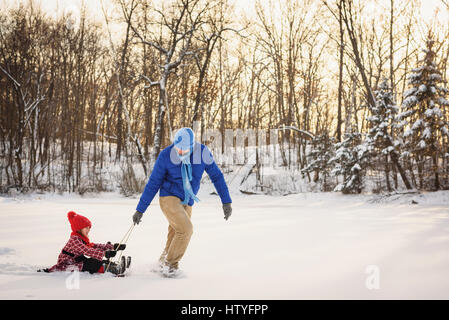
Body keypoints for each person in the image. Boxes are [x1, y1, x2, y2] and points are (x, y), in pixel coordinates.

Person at [133, 127, 232, 277]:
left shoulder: (202, 152)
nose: (180, 153)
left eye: (185, 150)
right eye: (178, 149)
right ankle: (170, 266)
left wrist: (226, 201)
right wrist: (140, 209)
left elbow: (216, 176)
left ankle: (162, 263)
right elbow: (154, 182)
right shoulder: (166, 155)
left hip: (188, 199)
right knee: (186, 229)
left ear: (193, 146)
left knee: (175, 233)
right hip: (169, 197)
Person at [40, 211, 128, 275]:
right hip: (68, 264)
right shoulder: (74, 240)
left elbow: (94, 246)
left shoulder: (82, 238)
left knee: (97, 259)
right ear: (78, 228)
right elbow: (87, 250)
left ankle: (116, 266)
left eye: (89, 228)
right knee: (93, 263)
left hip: (77, 260)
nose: (88, 230)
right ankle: (114, 270)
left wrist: (112, 247)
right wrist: (105, 253)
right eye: (86, 228)